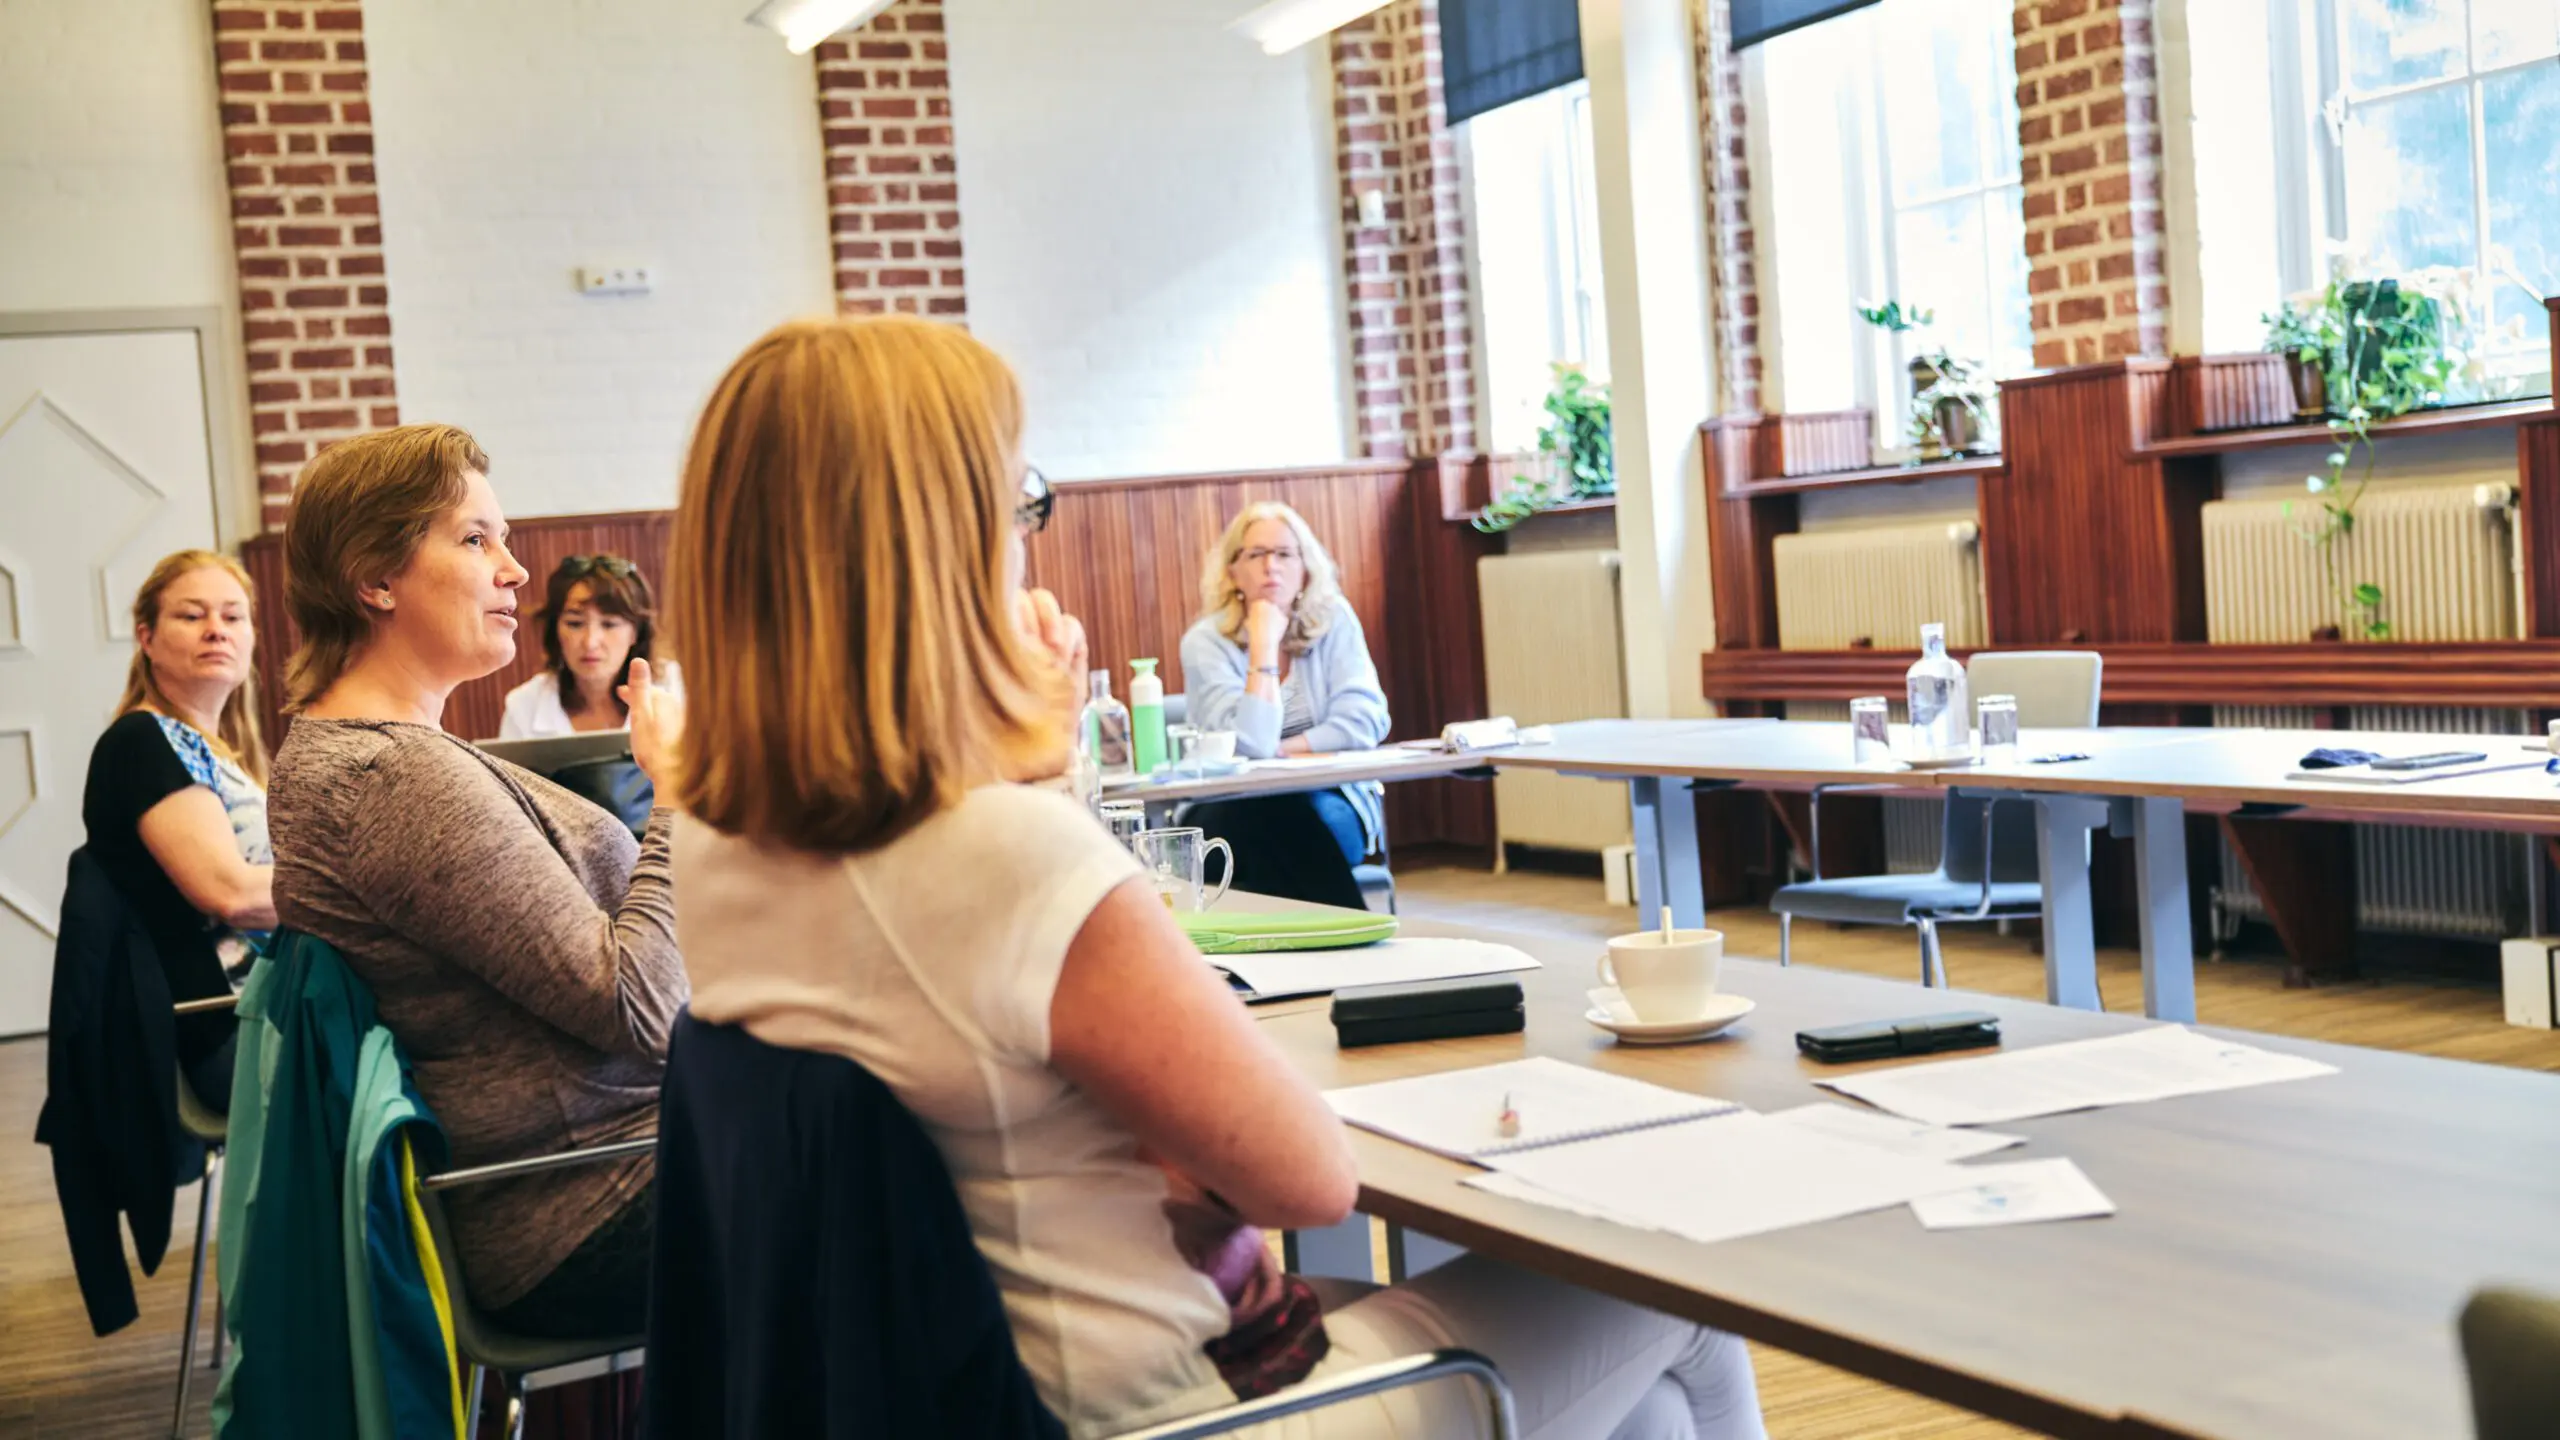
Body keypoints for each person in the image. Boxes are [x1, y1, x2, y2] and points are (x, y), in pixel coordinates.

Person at [669, 314, 1765, 1440]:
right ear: (938, 546)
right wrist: (1045, 782)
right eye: (1016, 504)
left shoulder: (711, 847)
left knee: (1638, 1404)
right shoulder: (996, 856)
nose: (1024, 541)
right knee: (1668, 1291)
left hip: (960, 1391)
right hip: (1167, 1410)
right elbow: (1306, 1184)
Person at [266, 423, 685, 1338]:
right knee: (937, 1162)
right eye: (473, 539)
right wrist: (680, 797)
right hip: (592, 1201)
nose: (516, 571)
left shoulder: (389, 756)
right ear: (374, 579)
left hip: (621, 1162)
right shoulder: (387, 779)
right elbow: (641, 1007)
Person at [80, 550, 276, 1112]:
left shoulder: (222, 756)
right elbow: (231, 894)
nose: (217, 630)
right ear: (146, 637)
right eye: (192, 616)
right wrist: (365, 892)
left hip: (268, 1011)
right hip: (228, 1032)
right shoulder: (145, 741)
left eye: (233, 616)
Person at [1178, 503, 1389, 910]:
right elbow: (1249, 744)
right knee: (1265, 813)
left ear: (1305, 569)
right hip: (1225, 802)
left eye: (1284, 554)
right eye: (1256, 554)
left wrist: (1283, 753)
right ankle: (1354, 933)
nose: (1270, 566)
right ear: (1233, 571)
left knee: (1275, 821)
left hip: (1331, 796)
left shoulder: (1334, 621)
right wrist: (1264, 648)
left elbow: (1365, 719)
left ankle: (1279, 959)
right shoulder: (1205, 642)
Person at [495, 553, 682, 739]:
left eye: (609, 624)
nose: (590, 642)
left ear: (636, 632)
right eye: (575, 624)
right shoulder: (524, 706)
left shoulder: (675, 688)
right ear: (555, 630)